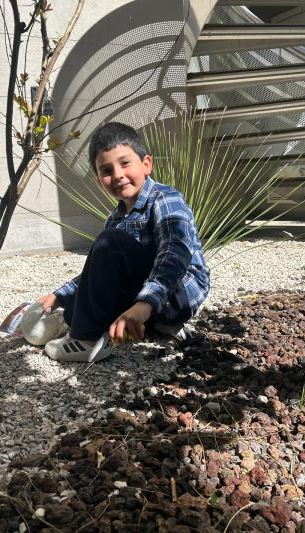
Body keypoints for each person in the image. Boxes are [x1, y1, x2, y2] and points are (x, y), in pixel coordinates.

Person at [21, 121, 210, 362]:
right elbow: (99, 272)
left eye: (125, 163)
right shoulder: (116, 218)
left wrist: (145, 303)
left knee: (109, 243)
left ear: (146, 164)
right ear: (99, 181)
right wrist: (59, 296)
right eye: (107, 171)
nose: (118, 175)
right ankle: (72, 320)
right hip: (147, 300)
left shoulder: (165, 199)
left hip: (176, 295)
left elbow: (174, 251)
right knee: (82, 301)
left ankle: (86, 340)